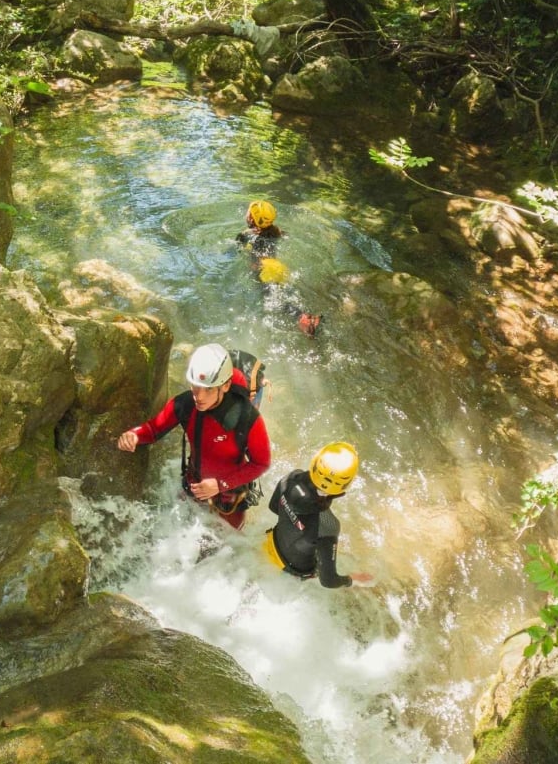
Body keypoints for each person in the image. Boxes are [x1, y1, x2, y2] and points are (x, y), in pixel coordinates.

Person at [117, 344, 271, 529]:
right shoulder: (185, 404)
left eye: (208, 389)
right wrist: (134, 435)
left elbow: (261, 463)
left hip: (230, 493)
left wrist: (219, 485)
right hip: (194, 482)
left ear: (226, 386)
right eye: (195, 387)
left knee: (229, 544)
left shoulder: (247, 417)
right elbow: (153, 429)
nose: (199, 396)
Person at [263, 441, 373, 588]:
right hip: (293, 575)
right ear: (345, 485)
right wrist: (352, 579)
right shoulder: (328, 526)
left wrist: (296, 524)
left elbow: (273, 507)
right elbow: (328, 581)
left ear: (315, 462)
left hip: (269, 545)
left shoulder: (291, 478)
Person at [235, 199, 322, 337]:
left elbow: (236, 250)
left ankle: (302, 318)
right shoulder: (276, 231)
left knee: (275, 300)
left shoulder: (245, 235)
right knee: (287, 293)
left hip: (264, 269)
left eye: (248, 212)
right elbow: (285, 235)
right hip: (280, 267)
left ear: (252, 218)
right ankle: (308, 316)